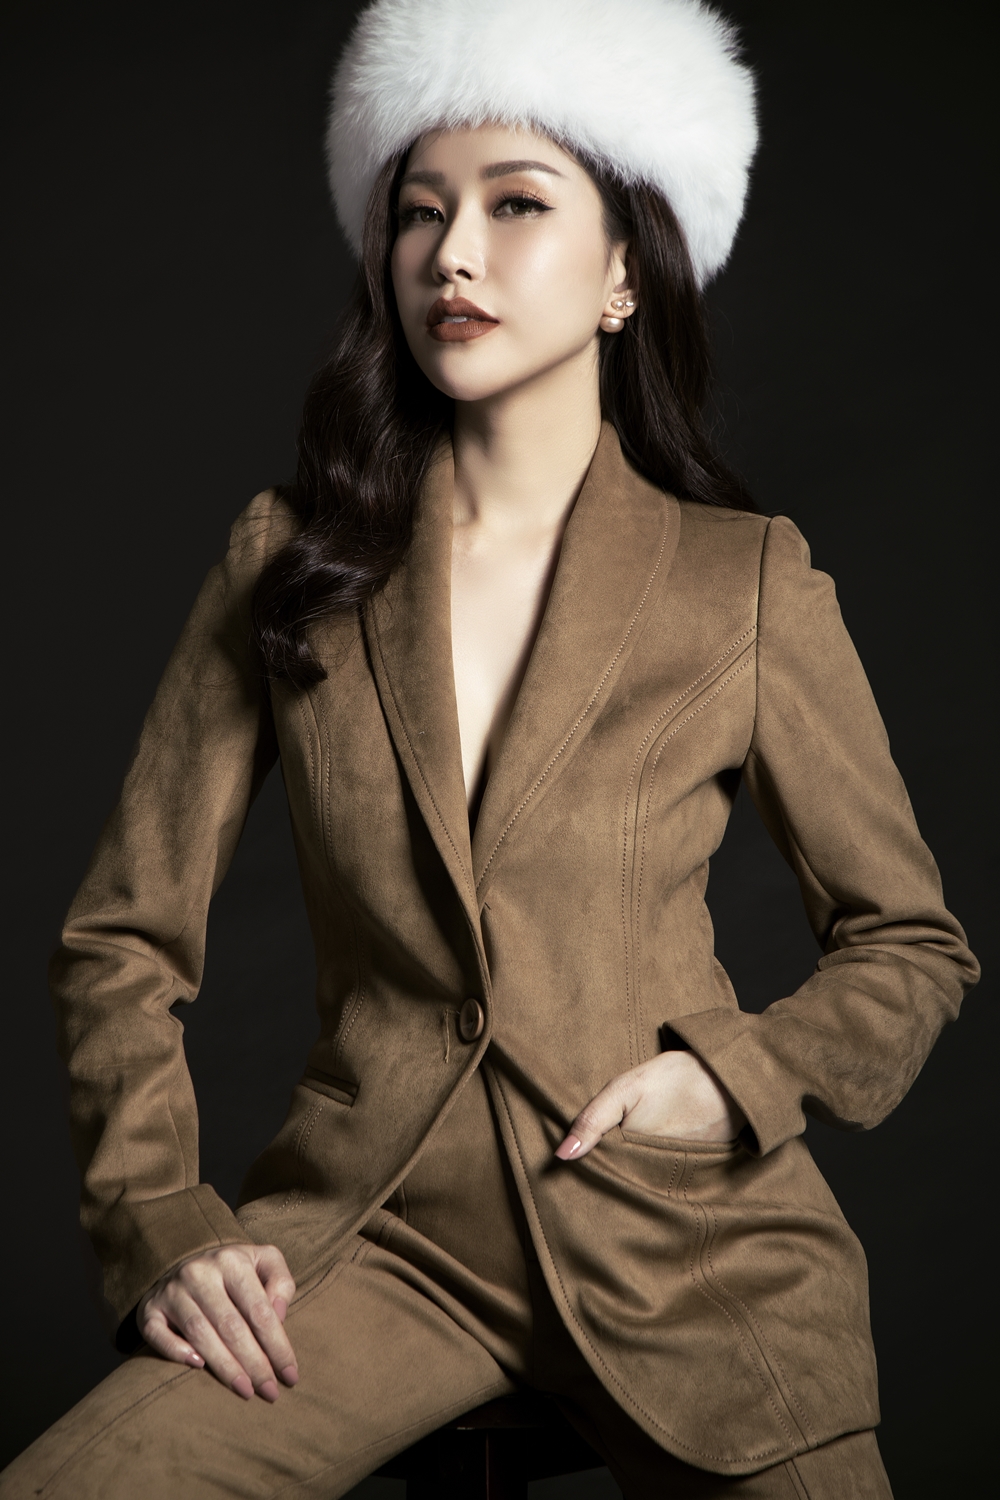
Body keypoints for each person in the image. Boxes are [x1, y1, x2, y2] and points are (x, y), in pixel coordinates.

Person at [0, 1, 978, 1496]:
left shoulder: (747, 583)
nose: (453, 253)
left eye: (518, 205)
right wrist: (161, 1222)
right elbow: (119, 942)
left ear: (625, 271)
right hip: (372, 1236)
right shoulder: (290, 559)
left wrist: (734, 1083)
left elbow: (909, 944)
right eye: (421, 211)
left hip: (691, 1247)